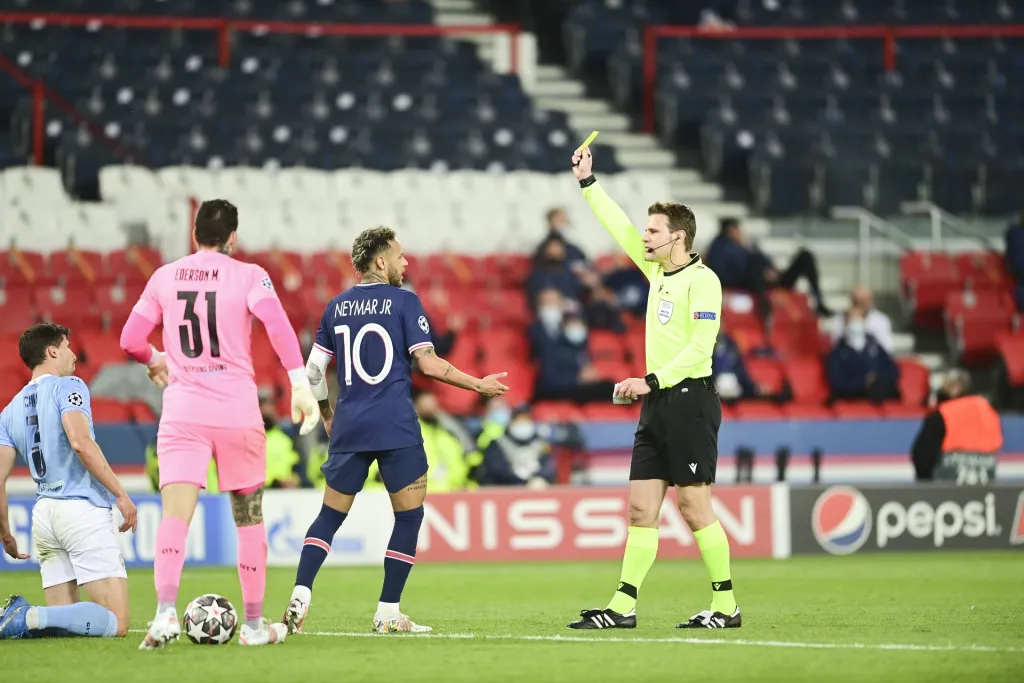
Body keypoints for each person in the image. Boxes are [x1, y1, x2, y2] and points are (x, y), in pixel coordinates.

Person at [283, 226, 508, 635]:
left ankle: (300, 594)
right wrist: (478, 385)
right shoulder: (405, 301)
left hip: (350, 426)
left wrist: (327, 413)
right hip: (395, 425)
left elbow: (314, 371)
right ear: (381, 261)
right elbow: (429, 364)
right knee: (408, 517)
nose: (406, 263)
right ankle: (387, 613)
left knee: (329, 515)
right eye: (400, 256)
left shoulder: (335, 307)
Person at [119, 199, 319, 649]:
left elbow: (130, 339)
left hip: (183, 413)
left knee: (175, 517)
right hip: (237, 413)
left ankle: (164, 614)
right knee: (248, 520)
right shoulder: (249, 275)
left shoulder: (164, 276)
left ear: (194, 235)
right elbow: (278, 326)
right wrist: (299, 385)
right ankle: (253, 626)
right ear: (233, 238)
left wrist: (154, 359)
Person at [567, 146, 740, 630]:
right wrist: (588, 182)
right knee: (641, 507)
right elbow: (618, 226)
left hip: (690, 400)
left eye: (653, 231)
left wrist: (649, 380)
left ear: (677, 237)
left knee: (693, 505)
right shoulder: (656, 272)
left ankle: (726, 605)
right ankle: (622, 608)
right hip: (658, 402)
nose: (644, 237)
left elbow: (701, 348)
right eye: (646, 231)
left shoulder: (703, 282)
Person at [0, 323, 137, 640]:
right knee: (116, 623)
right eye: (67, 347)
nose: (74, 355)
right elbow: (80, 443)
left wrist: (5, 532)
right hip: (80, 510)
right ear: (52, 351)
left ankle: (27, 620)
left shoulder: (8, 412)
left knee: (62, 625)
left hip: (44, 515)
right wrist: (120, 494)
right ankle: (27, 614)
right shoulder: (68, 386)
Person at [705, 218, 831, 317]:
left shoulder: (744, 245)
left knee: (805, 256)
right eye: (737, 229)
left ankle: (818, 300)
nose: (740, 232)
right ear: (731, 230)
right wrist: (760, 272)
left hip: (767, 280)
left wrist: (770, 270)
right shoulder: (719, 248)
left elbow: (762, 259)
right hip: (749, 283)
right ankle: (764, 303)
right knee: (754, 264)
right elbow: (721, 273)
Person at [911, 369, 1003, 484]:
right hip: (987, 484)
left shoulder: (942, 414)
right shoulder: (990, 412)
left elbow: (922, 457)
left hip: (947, 486)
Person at [825, 308, 900, 405]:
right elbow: (836, 380)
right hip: (852, 393)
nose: (856, 324)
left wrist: (876, 379)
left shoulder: (874, 346)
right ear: (845, 323)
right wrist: (864, 381)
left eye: (859, 320)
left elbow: (893, 370)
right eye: (852, 320)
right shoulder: (839, 351)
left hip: (878, 391)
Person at [478, 405, 555, 487]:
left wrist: (538, 478)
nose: (523, 423)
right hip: (506, 487)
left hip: (534, 486)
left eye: (526, 419)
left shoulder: (540, 442)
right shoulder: (499, 442)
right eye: (519, 419)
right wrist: (524, 482)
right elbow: (496, 470)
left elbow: (548, 468)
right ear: (511, 421)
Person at [831, 287, 894, 353]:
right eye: (857, 301)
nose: (860, 304)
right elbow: (835, 342)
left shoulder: (881, 319)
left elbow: (886, 346)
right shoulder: (841, 318)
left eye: (864, 300)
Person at [261, 390, 301, 489]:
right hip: (259, 492)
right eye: (263, 406)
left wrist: (294, 480)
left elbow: (296, 467)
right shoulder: (248, 440)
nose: (267, 410)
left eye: (270, 405)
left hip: (283, 493)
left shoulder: (285, 439)